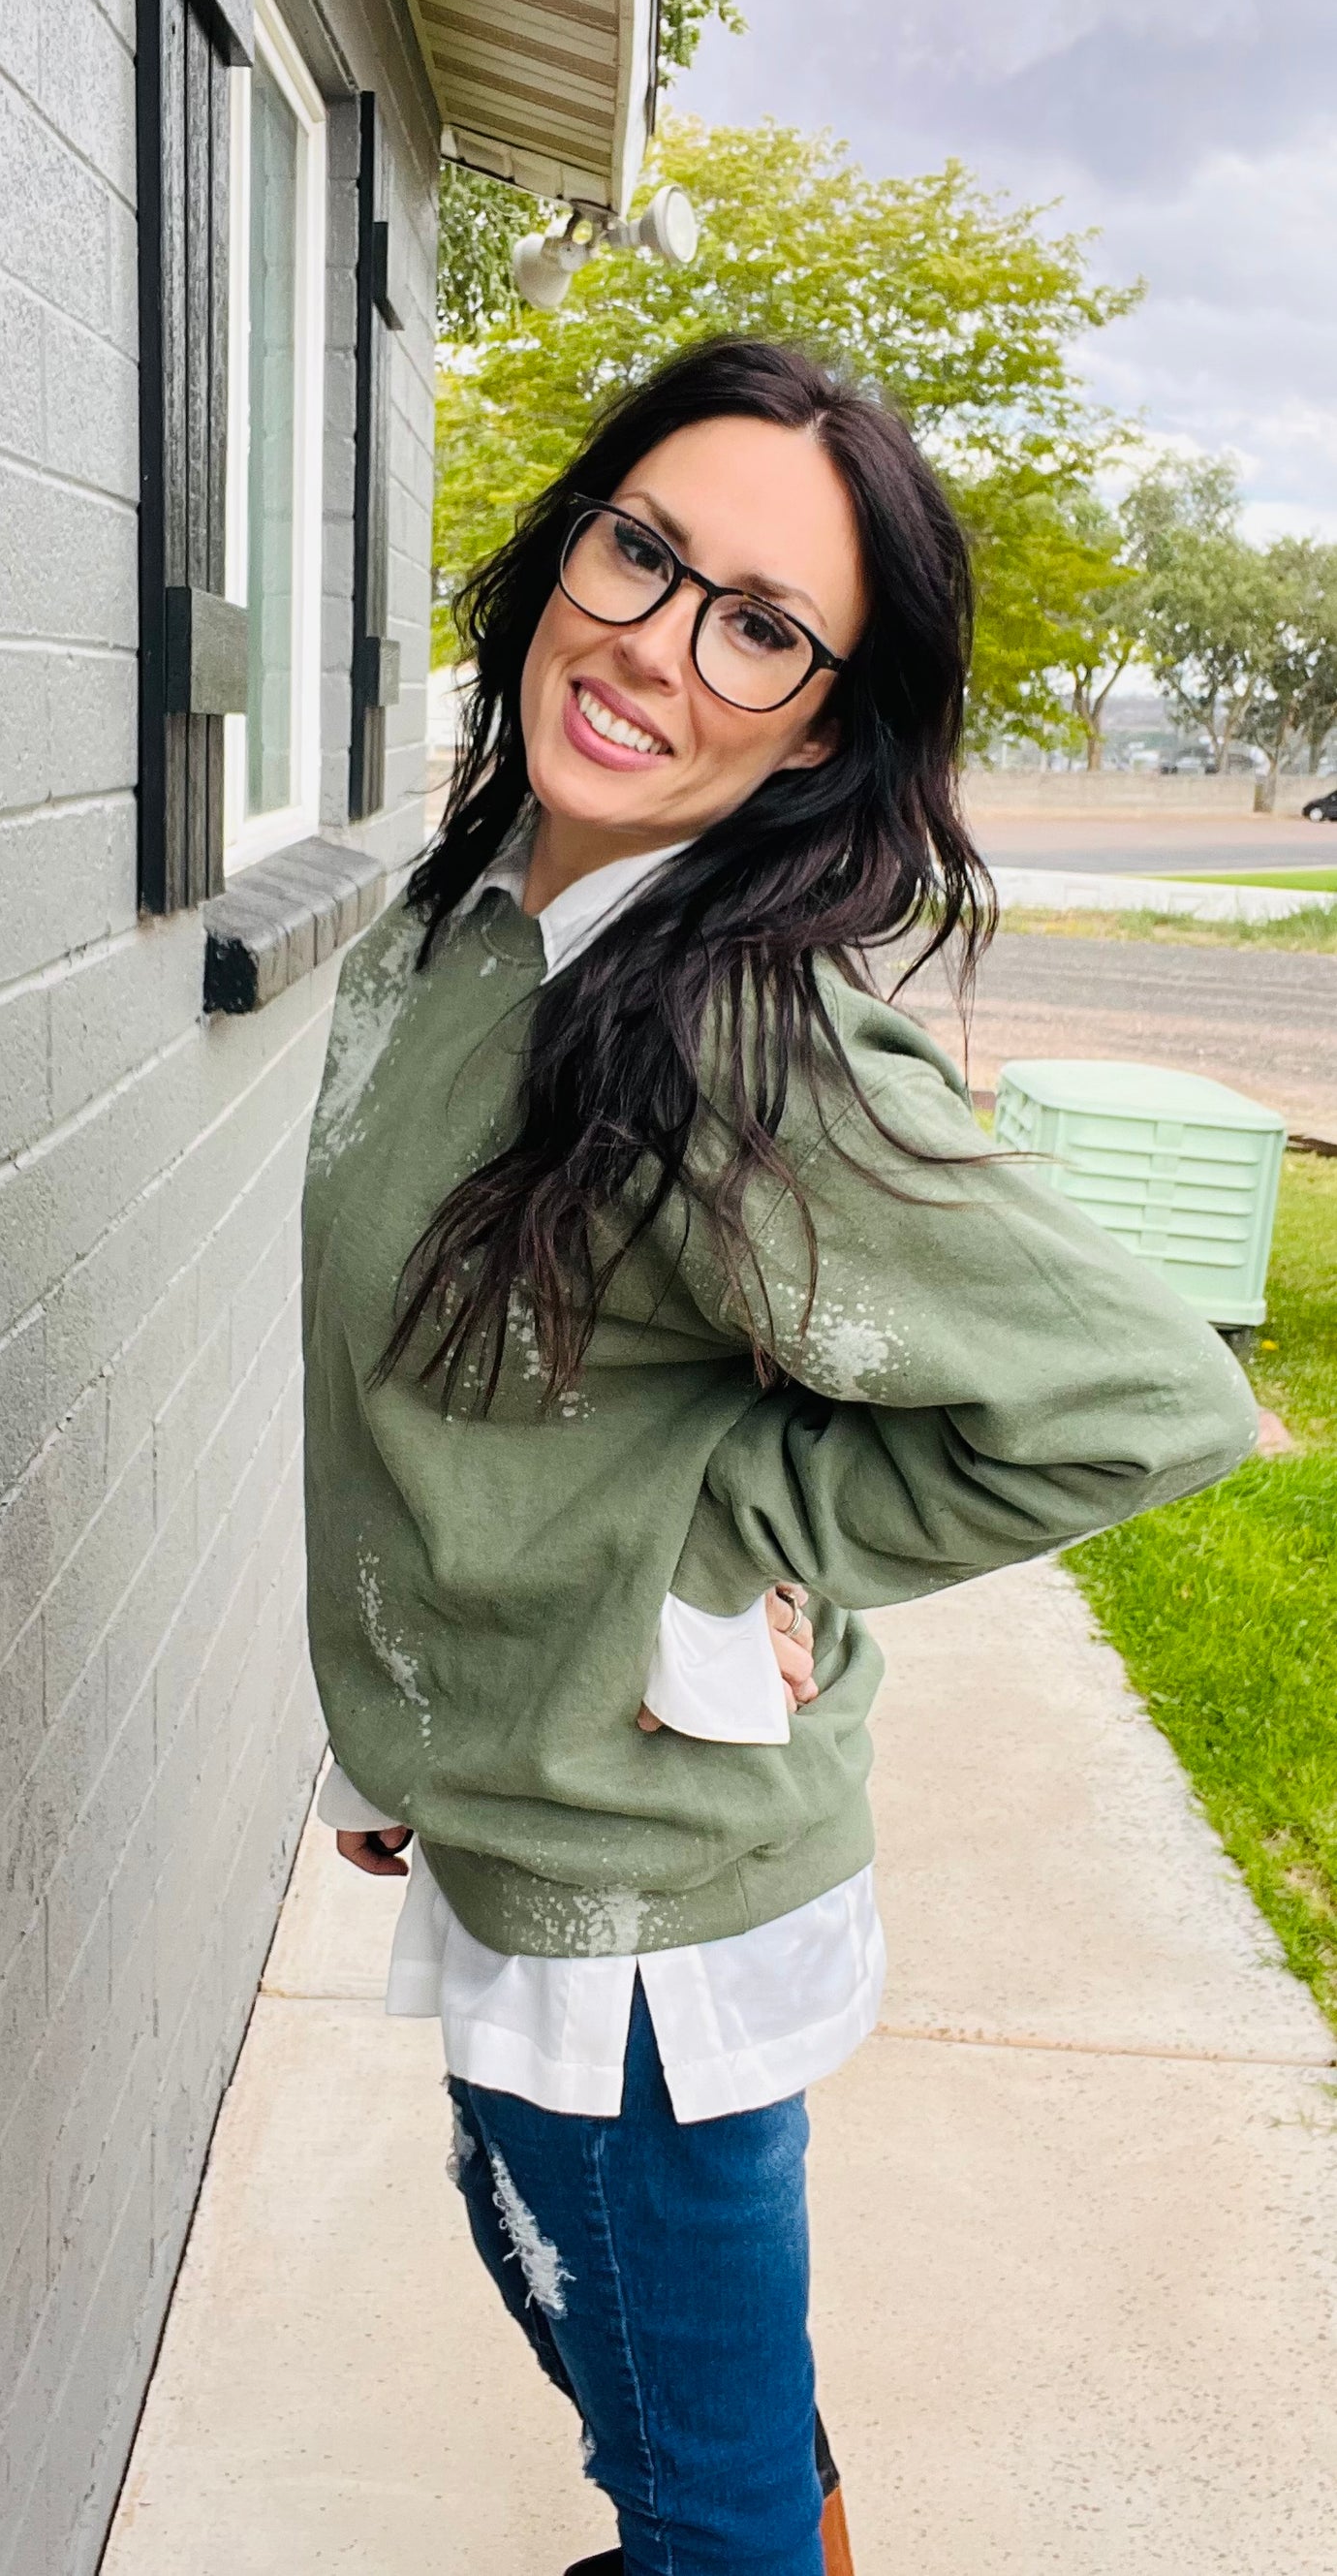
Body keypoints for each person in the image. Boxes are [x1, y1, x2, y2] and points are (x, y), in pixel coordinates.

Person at [301, 337, 1256, 2576]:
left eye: (761, 623)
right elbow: (445, 1406)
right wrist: (404, 1732)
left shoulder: (744, 1049)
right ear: (570, 542)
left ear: (822, 719)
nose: (655, 642)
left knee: (686, 2476)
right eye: (643, 549)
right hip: (517, 1815)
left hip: (649, 1913)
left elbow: (1147, 1394)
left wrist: (736, 1535)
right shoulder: (468, 925)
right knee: (614, 2335)